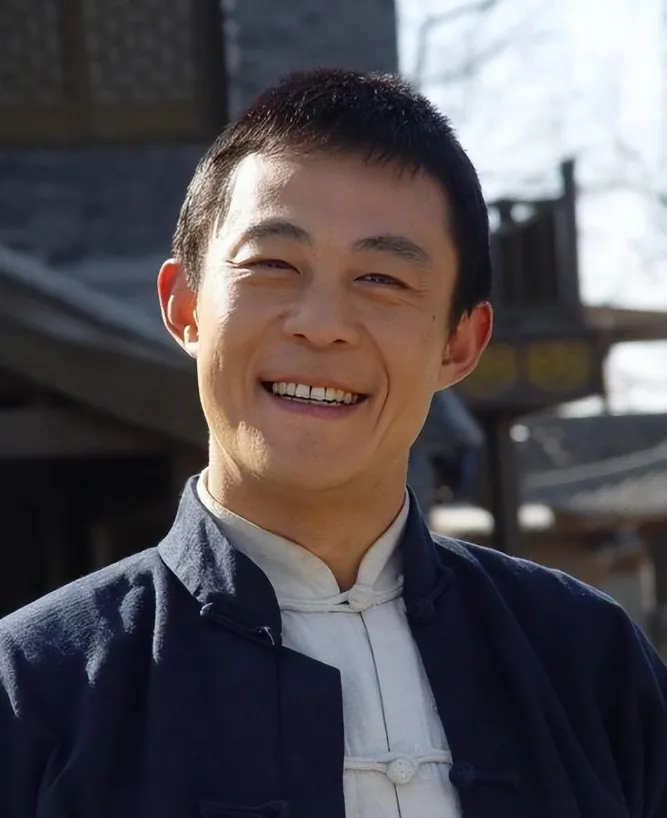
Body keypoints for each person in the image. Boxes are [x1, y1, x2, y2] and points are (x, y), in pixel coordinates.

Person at [1, 69, 666, 818]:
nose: (320, 325)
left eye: (381, 278)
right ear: (185, 306)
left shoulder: (589, 662)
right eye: (272, 265)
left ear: (459, 343)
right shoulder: (35, 687)